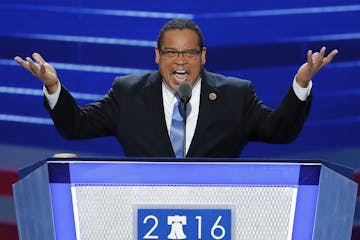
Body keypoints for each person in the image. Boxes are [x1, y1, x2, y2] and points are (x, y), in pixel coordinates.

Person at [14, 18, 338, 158]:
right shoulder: (128, 93)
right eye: (171, 52)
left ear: (203, 56)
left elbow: (278, 131)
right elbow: (76, 127)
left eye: (189, 52)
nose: (180, 60)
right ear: (157, 56)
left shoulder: (235, 94)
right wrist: (54, 87)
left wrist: (300, 83)